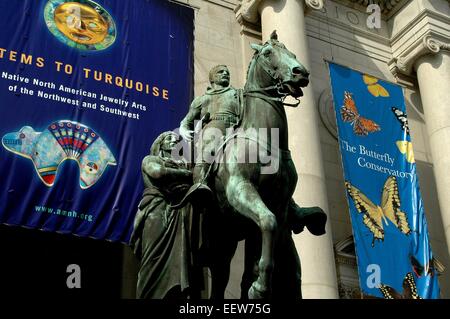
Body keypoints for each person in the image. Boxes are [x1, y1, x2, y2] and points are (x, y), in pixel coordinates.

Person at [179, 65, 326, 236]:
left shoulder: (238, 94)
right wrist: (185, 130)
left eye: (227, 71)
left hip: (238, 128)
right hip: (215, 127)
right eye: (220, 72)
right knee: (208, 149)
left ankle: (291, 206)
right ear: (212, 78)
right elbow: (187, 121)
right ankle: (200, 184)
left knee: (268, 166)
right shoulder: (203, 99)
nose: (225, 73)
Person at [130, 131, 203, 299]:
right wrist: (188, 175)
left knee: (180, 263)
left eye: (176, 140)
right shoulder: (150, 160)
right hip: (156, 210)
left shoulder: (182, 165)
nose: (173, 141)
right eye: (169, 138)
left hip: (178, 213)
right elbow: (158, 173)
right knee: (152, 259)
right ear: (160, 142)